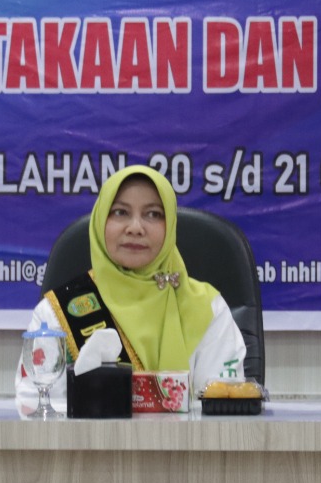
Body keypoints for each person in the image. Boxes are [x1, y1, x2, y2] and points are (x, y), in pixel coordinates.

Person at [16, 165, 246, 414]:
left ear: (170, 226)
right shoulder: (55, 314)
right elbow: (34, 408)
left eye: (153, 214)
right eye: (120, 212)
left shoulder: (208, 308)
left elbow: (223, 413)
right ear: (100, 221)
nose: (135, 227)